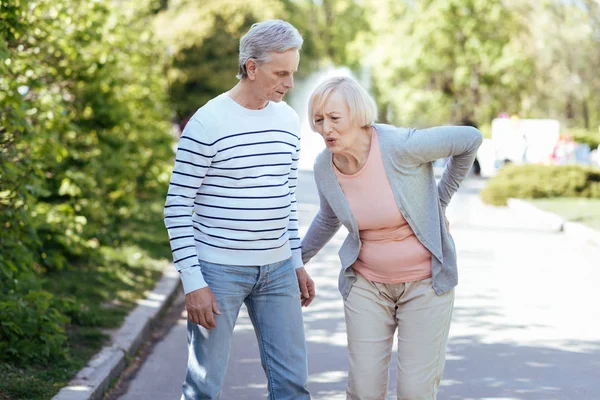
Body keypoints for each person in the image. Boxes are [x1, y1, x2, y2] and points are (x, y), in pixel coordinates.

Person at [301, 76, 482, 400]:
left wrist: (438, 202)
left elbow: (469, 139)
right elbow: (329, 217)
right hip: (368, 285)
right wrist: (294, 260)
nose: (326, 128)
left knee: (415, 392)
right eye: (319, 120)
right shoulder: (324, 167)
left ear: (357, 115)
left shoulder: (400, 146)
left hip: (425, 284)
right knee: (363, 390)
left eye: (334, 119)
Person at [163, 20, 314, 400]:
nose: (289, 84)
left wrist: (295, 261)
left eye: (292, 73)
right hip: (218, 273)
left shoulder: (287, 121)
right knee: (203, 387)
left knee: (293, 386)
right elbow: (177, 204)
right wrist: (193, 282)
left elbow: (285, 200)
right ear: (251, 67)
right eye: (281, 73)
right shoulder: (207, 122)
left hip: (278, 271)